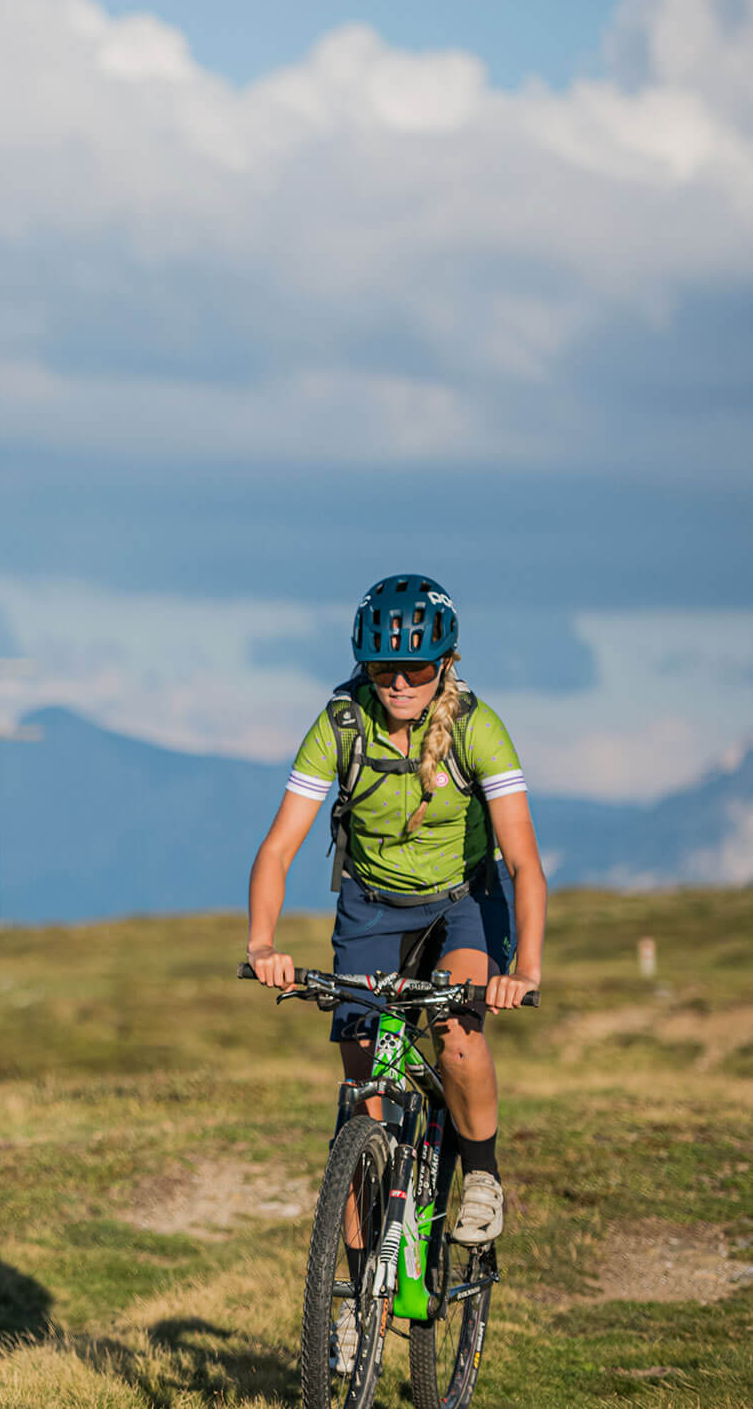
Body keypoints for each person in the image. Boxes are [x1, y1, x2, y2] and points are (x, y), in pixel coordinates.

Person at [245, 574, 545, 1359]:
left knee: (456, 1035)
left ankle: (481, 1176)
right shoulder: (340, 726)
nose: (400, 684)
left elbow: (523, 861)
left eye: (415, 669)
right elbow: (277, 848)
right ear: (365, 666)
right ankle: (357, 1305)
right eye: (385, 668)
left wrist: (526, 967)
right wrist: (263, 943)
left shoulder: (478, 729)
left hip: (463, 905)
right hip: (371, 910)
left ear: (445, 665)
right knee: (362, 1106)